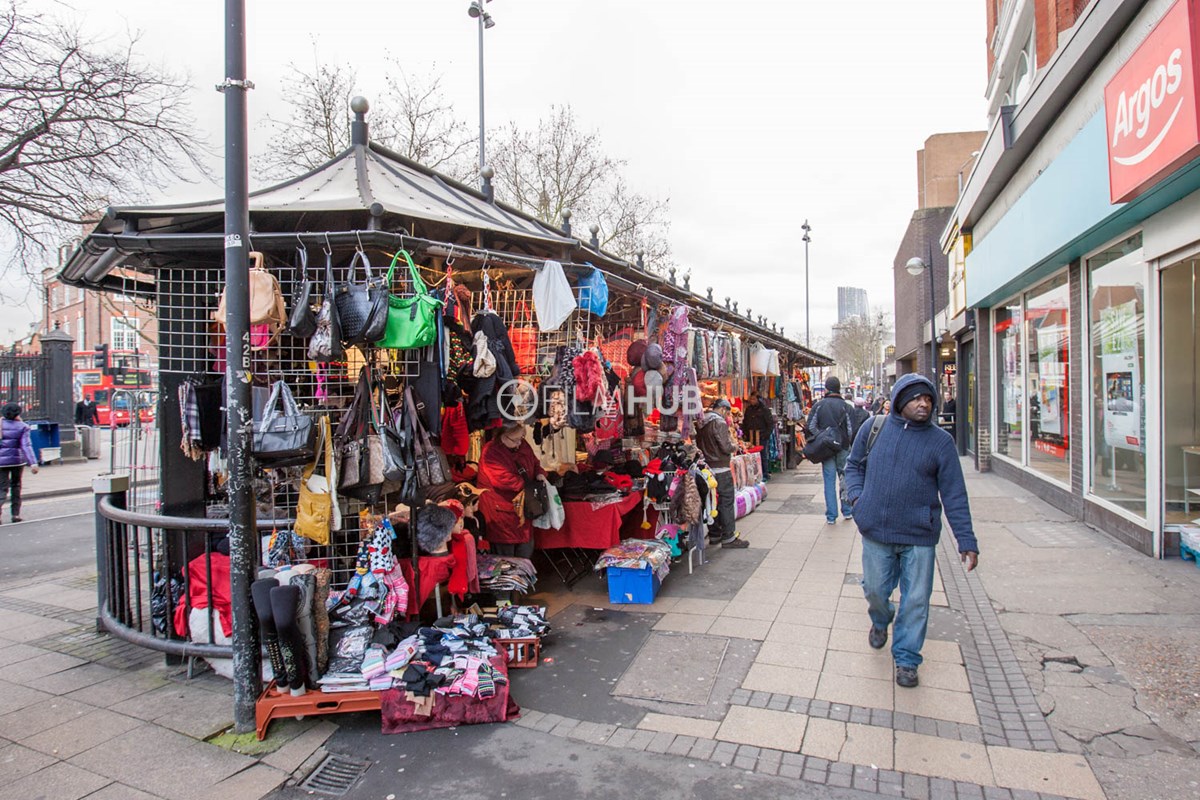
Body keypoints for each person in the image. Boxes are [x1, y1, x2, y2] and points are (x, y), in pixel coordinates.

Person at [843, 374, 978, 689]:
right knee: (875, 590)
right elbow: (854, 466)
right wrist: (858, 500)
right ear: (901, 400)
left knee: (916, 600)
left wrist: (966, 540)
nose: (923, 404)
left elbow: (954, 494)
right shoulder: (874, 428)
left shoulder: (940, 442)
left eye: (928, 399)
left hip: (919, 535)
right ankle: (880, 620)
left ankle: (906, 658)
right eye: (916, 398)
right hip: (876, 531)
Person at [476, 422, 546, 559]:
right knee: (505, 559)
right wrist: (530, 485)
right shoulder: (491, 451)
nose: (519, 442)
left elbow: (534, 462)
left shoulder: (522, 445)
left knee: (524, 554)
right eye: (515, 440)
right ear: (503, 436)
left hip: (524, 509)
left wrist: (540, 473)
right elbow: (503, 479)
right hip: (501, 514)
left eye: (521, 437)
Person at [695, 399, 750, 549]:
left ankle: (715, 534)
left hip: (707, 469)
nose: (727, 416)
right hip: (721, 468)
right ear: (723, 409)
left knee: (712, 501)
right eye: (727, 412)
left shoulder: (701, 422)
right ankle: (729, 537)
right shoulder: (719, 422)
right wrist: (734, 446)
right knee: (726, 502)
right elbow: (725, 447)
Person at [806, 376, 852, 524]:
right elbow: (851, 430)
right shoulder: (846, 407)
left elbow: (810, 426)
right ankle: (847, 511)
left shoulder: (819, 405)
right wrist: (845, 441)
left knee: (829, 481)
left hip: (826, 449)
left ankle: (831, 516)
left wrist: (823, 437)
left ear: (826, 389)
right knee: (844, 479)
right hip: (843, 448)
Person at [0, 403, 40, 523]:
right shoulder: (23, 426)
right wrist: (33, 463)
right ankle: (15, 514)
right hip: (17, 462)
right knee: (16, 487)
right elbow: (26, 446)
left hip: (1, 463)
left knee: (2, 488)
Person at [741, 391, 774, 478]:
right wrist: (745, 433)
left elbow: (770, 423)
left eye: (754, 399)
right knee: (751, 455)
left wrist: (766, 435)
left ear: (758, 399)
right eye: (751, 399)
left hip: (761, 436)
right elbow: (745, 422)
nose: (752, 401)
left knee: (762, 455)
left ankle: (764, 473)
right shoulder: (749, 410)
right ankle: (753, 474)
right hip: (750, 436)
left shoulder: (764, 410)